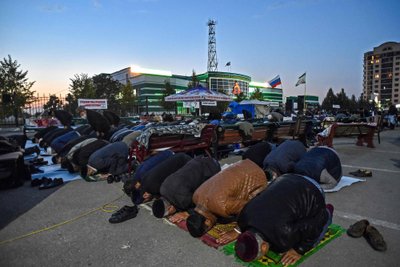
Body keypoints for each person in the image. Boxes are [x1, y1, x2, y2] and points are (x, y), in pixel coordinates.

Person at [234, 173, 333, 265]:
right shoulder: (244, 217)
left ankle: (328, 211)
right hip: (287, 177)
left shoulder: (284, 235)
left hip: (313, 189)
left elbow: (314, 226)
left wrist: (299, 250)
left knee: (320, 223)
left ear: (264, 247)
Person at [186, 159, 267, 238]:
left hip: (255, 174)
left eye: (207, 229)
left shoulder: (223, 207)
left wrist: (237, 231)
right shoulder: (195, 196)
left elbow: (248, 209)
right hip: (241, 165)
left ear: (207, 221)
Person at [152, 157, 221, 219]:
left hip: (212, 168)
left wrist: (187, 213)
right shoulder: (162, 188)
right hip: (197, 159)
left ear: (170, 208)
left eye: (168, 215)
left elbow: (198, 205)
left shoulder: (182, 201)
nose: (170, 216)